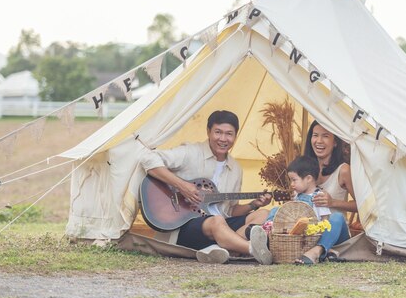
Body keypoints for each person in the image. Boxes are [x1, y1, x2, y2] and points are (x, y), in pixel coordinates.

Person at [139, 110, 273, 265]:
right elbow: (148, 159)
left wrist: (253, 205)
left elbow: (230, 211)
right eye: (218, 132)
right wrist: (182, 186)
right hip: (186, 226)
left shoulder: (236, 169)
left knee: (263, 214)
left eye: (229, 134)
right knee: (217, 221)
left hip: (220, 226)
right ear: (208, 131)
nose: (223, 139)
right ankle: (252, 250)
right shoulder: (190, 152)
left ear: (236, 136)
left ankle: (220, 248)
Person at [296, 120, 358, 264]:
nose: (318, 141)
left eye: (325, 136)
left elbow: (361, 206)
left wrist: (333, 202)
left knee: (336, 218)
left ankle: (317, 252)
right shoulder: (303, 168)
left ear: (335, 142)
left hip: (337, 236)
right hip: (310, 234)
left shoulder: (343, 170)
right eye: (315, 135)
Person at [265, 156, 332, 222]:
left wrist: (322, 229)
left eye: (294, 180)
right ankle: (268, 228)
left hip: (311, 228)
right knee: (275, 210)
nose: (291, 184)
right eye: (291, 180)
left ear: (308, 179)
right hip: (295, 226)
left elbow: (325, 218)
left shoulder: (319, 196)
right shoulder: (296, 194)